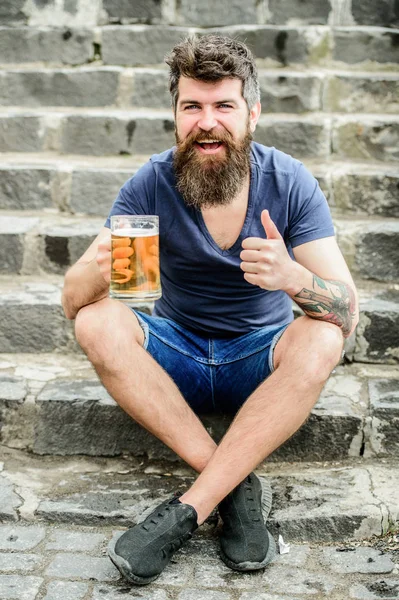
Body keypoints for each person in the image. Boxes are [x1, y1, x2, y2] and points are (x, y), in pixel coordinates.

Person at [62, 34, 359, 585]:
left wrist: (293, 277)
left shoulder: (287, 182)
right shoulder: (152, 184)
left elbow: (347, 312)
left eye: (224, 106)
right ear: (175, 116)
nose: (207, 122)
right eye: (192, 107)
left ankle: (189, 508)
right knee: (97, 318)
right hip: (180, 351)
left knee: (321, 336)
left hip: (257, 359)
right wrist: (94, 272)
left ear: (252, 114)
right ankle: (233, 482)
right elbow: (79, 302)